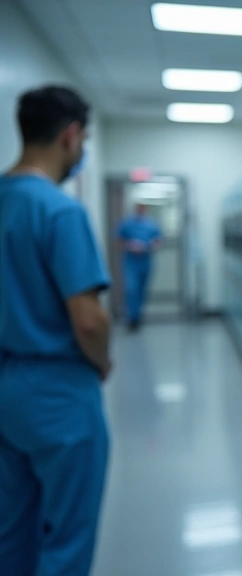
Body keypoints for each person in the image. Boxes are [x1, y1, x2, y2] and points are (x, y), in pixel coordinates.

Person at [0, 85, 112, 576]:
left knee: (12, 527)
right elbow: (87, 318)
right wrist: (103, 361)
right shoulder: (59, 211)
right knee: (67, 534)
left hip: (6, 386)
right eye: (83, 140)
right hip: (57, 393)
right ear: (70, 136)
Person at [117, 203, 162, 331]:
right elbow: (117, 242)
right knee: (131, 289)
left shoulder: (152, 224)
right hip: (130, 262)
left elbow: (158, 241)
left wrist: (149, 246)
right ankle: (132, 318)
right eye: (139, 207)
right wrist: (129, 245)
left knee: (142, 290)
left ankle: (138, 315)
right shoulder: (126, 223)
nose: (141, 210)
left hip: (146, 261)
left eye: (144, 208)